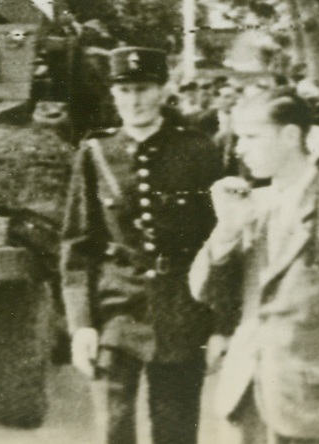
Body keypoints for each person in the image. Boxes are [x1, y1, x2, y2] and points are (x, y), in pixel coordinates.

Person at [189, 92, 319, 444]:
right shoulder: (253, 206)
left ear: (289, 136)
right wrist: (226, 232)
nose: (239, 149)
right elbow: (206, 293)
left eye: (252, 137)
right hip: (248, 396)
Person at [60, 46, 223, 444]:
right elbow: (78, 245)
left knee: (176, 429)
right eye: (125, 90)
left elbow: (221, 244)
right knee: (114, 428)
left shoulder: (199, 150)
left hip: (184, 308)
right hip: (116, 309)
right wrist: (81, 324)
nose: (134, 100)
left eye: (144, 88)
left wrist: (222, 326)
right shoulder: (97, 153)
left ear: (163, 91)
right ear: (113, 95)